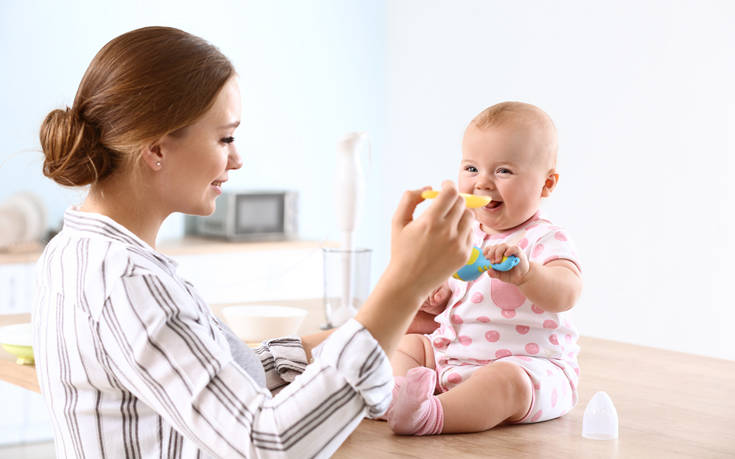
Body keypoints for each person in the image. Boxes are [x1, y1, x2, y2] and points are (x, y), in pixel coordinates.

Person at [33, 26, 474, 458]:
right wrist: (404, 285)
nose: (238, 158)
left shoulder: (80, 250)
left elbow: (213, 379)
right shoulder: (128, 281)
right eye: (225, 137)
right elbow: (267, 443)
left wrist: (383, 321)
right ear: (157, 149)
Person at [384, 102, 583, 435]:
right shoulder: (464, 232)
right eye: (471, 169)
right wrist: (437, 294)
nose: (483, 183)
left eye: (503, 171)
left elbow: (567, 291)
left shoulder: (545, 237)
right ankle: (395, 395)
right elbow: (458, 292)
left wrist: (528, 274)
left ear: (547, 184)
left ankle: (432, 416)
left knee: (504, 381)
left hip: (529, 368)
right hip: (452, 355)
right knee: (408, 345)